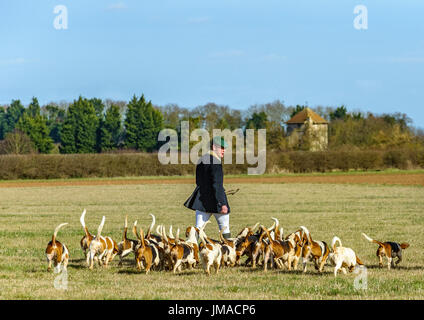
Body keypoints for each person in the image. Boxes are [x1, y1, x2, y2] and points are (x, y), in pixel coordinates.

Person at [184, 136, 231, 239]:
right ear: (214, 147)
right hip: (216, 203)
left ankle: (192, 253)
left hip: (202, 202)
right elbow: (217, 185)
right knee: (225, 229)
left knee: (198, 229)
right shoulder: (216, 162)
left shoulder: (201, 159)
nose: (224, 150)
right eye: (221, 147)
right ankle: (228, 253)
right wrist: (222, 203)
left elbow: (198, 182)